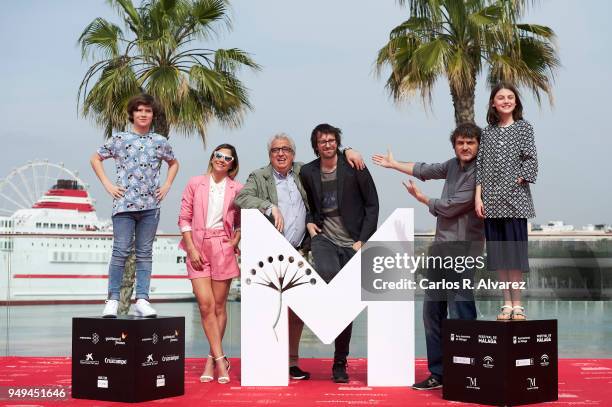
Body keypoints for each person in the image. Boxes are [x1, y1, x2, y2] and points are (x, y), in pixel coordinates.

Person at [234, 132, 365, 381]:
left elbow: (327, 156)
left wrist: (348, 150)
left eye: (285, 149)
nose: (280, 153)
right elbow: (240, 198)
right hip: (269, 254)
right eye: (275, 150)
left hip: (298, 251)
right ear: (269, 155)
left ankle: (292, 362)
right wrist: (268, 206)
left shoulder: (303, 171)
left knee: (296, 313)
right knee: (268, 310)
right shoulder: (259, 176)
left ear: (293, 154)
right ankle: (267, 360)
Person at [372, 122, 484, 390]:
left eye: (470, 142)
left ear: (478, 144)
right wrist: (394, 164)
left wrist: (423, 200)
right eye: (460, 142)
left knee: (461, 312)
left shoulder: (481, 172)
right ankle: (439, 373)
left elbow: (452, 206)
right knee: (431, 312)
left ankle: (467, 373)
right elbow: (425, 169)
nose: (465, 147)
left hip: (464, 249)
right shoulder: (452, 165)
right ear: (454, 145)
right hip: (441, 248)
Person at [300, 123, 379, 383]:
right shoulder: (308, 171)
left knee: (345, 302)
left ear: (338, 143)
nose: (327, 144)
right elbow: (306, 203)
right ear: (316, 145)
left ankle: (340, 361)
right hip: (323, 238)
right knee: (328, 274)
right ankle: (324, 319)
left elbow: (372, 203)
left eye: (332, 140)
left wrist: (362, 240)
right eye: (322, 141)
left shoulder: (353, 166)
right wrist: (310, 222)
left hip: (352, 242)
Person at [91, 94, 179, 318]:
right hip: (123, 207)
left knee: (145, 254)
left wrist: (167, 185)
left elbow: (174, 163)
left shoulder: (160, 141)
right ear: (132, 114)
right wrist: (108, 185)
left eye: (148, 111)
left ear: (152, 115)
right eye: (139, 110)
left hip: (150, 207)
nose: (143, 114)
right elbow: (95, 159)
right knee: (120, 251)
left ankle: (142, 299)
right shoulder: (119, 139)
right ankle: (112, 299)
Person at [178, 144, 242, 384]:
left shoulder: (238, 189)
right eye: (218, 155)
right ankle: (221, 360)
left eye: (227, 158)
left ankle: (211, 359)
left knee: (218, 307)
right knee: (205, 305)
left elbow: (241, 220)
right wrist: (192, 248)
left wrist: (237, 236)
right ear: (212, 157)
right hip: (197, 247)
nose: (222, 160)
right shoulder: (196, 183)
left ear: (232, 164)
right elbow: (183, 218)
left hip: (222, 247)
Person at [475, 82, 538, 321]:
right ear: (493, 103)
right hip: (491, 203)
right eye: (501, 97)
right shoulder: (487, 132)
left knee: (515, 256)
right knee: (500, 256)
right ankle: (506, 303)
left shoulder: (524, 128)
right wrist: (478, 197)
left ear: (516, 102)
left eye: (510, 97)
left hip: (515, 201)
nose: (506, 101)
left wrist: (521, 178)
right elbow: (480, 167)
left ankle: (518, 304)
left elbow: (531, 159)